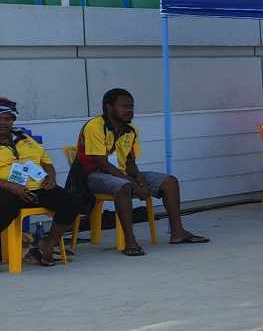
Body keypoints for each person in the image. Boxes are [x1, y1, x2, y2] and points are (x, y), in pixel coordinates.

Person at [77, 88, 207, 252]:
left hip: (121, 173)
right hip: (93, 175)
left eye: (131, 106)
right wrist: (132, 183)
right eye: (124, 106)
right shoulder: (95, 126)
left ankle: (177, 232)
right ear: (109, 107)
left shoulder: (131, 130)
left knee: (169, 182)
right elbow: (102, 163)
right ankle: (130, 242)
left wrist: (139, 180)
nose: (129, 110)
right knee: (124, 187)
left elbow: (130, 162)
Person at [0, 96, 84, 267]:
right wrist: (10, 186)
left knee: (72, 203)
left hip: (37, 188)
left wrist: (51, 177)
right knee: (6, 209)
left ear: (13, 120)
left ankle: (48, 243)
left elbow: (46, 162)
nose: (2, 123)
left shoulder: (23, 137)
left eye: (7, 118)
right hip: (6, 189)